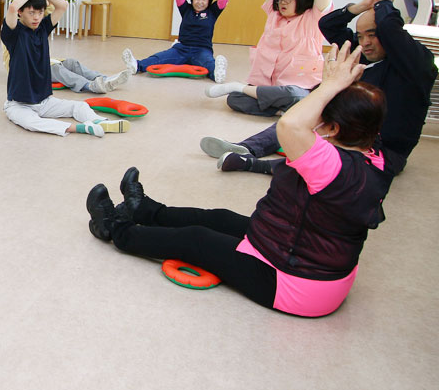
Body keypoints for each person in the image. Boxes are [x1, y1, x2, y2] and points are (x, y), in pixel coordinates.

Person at [87, 41, 399, 318]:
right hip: (307, 258)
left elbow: (289, 126)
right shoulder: (374, 153)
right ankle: (143, 209)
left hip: (294, 283)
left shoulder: (333, 164)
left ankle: (114, 229)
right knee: (219, 218)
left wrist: (330, 87)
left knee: (197, 239)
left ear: (333, 128)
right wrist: (341, 88)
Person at [200, 0, 438, 174]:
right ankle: (247, 148)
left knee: (331, 161)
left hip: (382, 151)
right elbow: (328, 24)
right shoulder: (364, 56)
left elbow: (389, 28)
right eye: (360, 35)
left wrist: (386, 2)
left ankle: (252, 164)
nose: (364, 42)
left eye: (372, 35)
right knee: (299, 117)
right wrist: (362, 6)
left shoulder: (418, 63)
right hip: (345, 128)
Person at [205, 0, 333, 115]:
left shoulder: (313, 19)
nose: (282, 3)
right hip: (267, 85)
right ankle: (280, 109)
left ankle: (251, 93)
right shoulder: (274, 15)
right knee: (234, 99)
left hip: (297, 87)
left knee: (298, 96)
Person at [2, 0, 128, 137]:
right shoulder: (14, 33)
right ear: (21, 13)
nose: (36, 17)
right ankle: (82, 128)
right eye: (31, 13)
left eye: (40, 13)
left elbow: (63, 5)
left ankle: (99, 122)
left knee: (80, 106)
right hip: (18, 104)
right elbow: (12, 7)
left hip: (45, 101)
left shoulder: (42, 28)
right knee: (31, 123)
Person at [122, 0, 230, 82]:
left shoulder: (212, 11)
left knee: (208, 63)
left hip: (202, 50)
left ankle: (217, 74)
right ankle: (136, 66)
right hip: (181, 48)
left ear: (209, 1)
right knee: (160, 57)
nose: (200, 2)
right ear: (192, 0)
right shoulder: (186, 9)